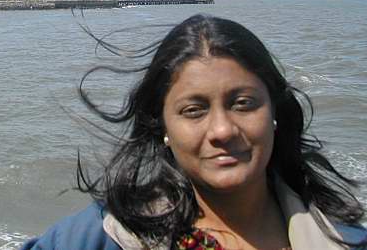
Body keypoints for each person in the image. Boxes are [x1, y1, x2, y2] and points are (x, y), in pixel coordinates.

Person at [21, 14, 367, 249]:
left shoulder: (344, 239)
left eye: (243, 103)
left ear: (275, 112)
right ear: (163, 127)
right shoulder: (106, 236)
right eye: (193, 110)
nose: (221, 130)